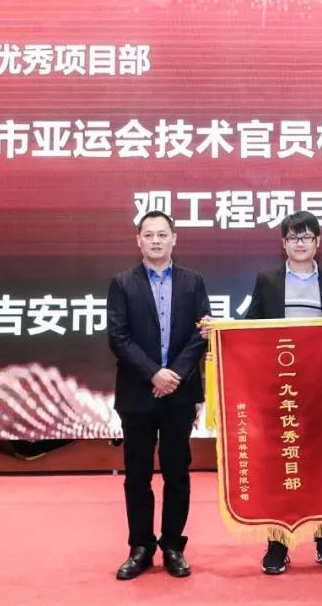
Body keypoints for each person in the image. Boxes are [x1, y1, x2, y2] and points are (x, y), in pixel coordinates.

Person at [204, 211, 322, 575]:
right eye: (293, 237)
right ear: (283, 243)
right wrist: (220, 331)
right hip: (279, 388)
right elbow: (249, 328)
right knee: (279, 462)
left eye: (307, 237)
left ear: (318, 242)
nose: (300, 243)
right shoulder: (267, 280)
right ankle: (277, 543)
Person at [107, 210, 211, 581]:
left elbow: (202, 333)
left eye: (162, 234)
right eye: (148, 235)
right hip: (137, 394)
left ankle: (172, 546)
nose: (155, 241)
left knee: (176, 472)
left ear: (174, 239)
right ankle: (140, 547)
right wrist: (153, 372)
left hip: (179, 394)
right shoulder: (122, 283)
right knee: (137, 474)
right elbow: (118, 337)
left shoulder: (193, 282)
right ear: (138, 241)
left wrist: (173, 375)